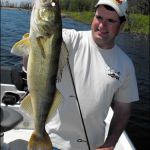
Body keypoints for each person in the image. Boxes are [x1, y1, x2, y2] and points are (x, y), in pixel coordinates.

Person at [23, 0, 139, 149]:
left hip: (94, 146)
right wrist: (30, 45)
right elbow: (30, 62)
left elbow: (123, 110)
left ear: (121, 26)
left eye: (111, 20)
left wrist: (110, 143)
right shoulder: (69, 39)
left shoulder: (126, 64)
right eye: (99, 17)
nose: (102, 25)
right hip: (53, 142)